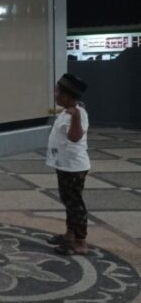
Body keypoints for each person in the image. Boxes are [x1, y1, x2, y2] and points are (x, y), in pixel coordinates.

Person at [47, 73, 90, 256]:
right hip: (65, 165)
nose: (55, 95)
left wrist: (76, 118)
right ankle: (69, 234)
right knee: (68, 201)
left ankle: (80, 242)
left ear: (67, 96)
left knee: (75, 204)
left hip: (74, 168)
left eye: (58, 92)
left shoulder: (77, 114)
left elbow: (75, 137)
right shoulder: (68, 111)